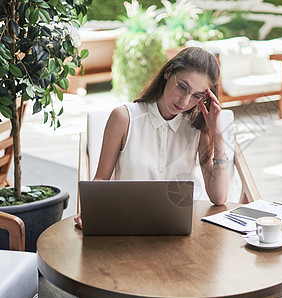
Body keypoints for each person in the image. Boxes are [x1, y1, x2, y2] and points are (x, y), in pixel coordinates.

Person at [74, 47, 229, 228]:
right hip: (125, 228)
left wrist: (217, 135)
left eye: (196, 96)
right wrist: (91, 210)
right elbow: (101, 179)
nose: (185, 102)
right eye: (182, 87)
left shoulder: (196, 129)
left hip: (175, 233)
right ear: (168, 72)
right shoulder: (124, 118)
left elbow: (219, 197)